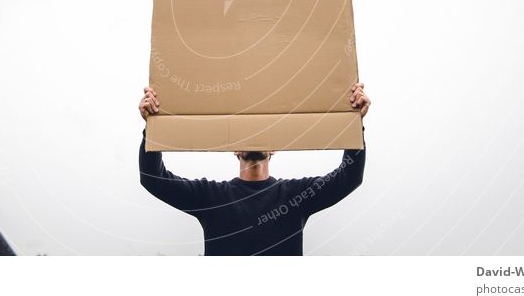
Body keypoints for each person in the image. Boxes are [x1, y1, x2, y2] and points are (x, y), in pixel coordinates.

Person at [138, 83, 370, 256]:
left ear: (275, 148)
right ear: (234, 148)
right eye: (245, 131)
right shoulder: (211, 197)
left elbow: (349, 177)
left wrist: (353, 123)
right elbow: (154, 179)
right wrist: (154, 127)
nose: (254, 136)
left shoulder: (297, 196)